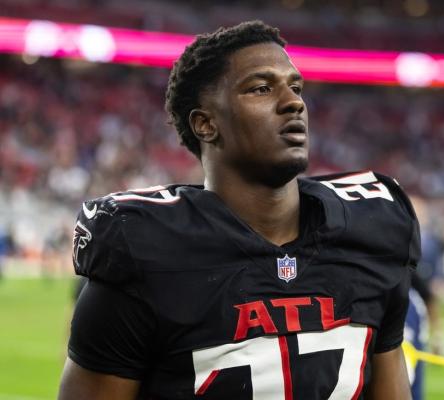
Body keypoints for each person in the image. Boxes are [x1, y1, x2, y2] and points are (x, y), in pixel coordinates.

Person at [58, 21, 421, 400]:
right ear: (205, 124)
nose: (294, 102)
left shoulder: (372, 232)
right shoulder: (147, 254)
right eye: (261, 88)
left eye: (296, 87)